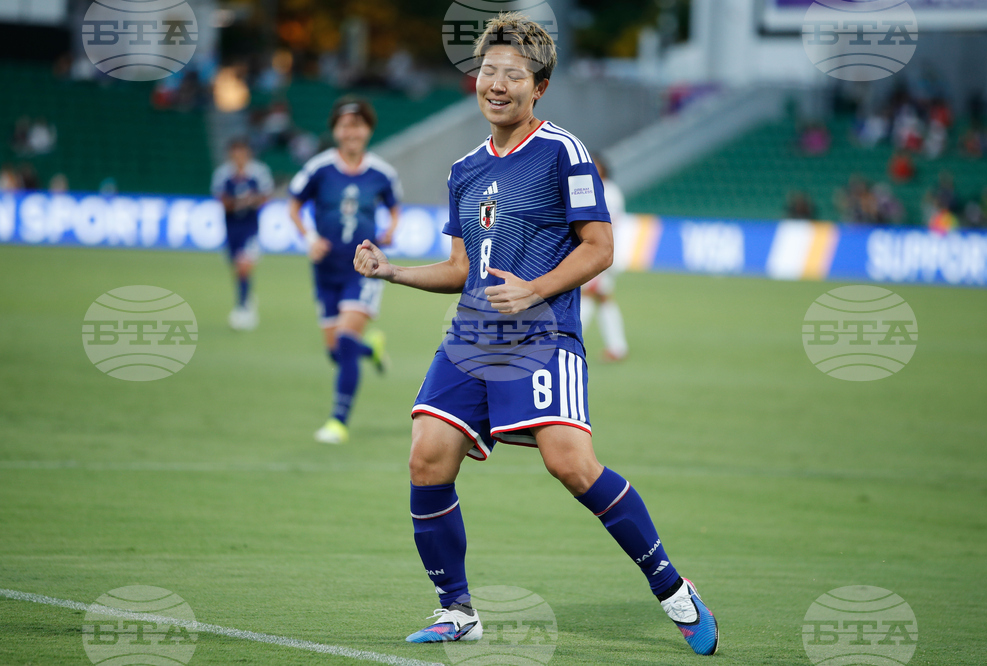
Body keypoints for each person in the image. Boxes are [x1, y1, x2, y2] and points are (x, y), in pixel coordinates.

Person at [354, 12, 718, 656]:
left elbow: (600, 247)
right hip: (470, 337)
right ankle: (456, 610)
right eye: (488, 71)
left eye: (513, 75)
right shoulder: (464, 169)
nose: (496, 84)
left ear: (539, 87)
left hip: (543, 335)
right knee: (427, 455)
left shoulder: (563, 152)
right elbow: (461, 269)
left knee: (570, 464)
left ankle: (673, 588)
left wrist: (535, 288)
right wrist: (393, 271)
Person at [289, 97, 399, 445]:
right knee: (336, 351)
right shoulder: (319, 168)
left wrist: (391, 230)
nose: (352, 132)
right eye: (345, 125)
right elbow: (293, 205)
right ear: (335, 130)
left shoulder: (382, 173)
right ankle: (372, 350)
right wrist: (309, 238)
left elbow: (394, 207)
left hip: (363, 269)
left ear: (369, 129)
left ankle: (338, 421)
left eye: (358, 125)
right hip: (326, 269)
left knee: (346, 340)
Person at [211, 138, 273, 331]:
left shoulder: (259, 172)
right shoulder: (223, 174)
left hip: (250, 227)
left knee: (243, 265)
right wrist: (240, 202)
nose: (239, 157)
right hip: (232, 227)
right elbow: (221, 200)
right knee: (236, 267)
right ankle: (247, 296)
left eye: (242, 153)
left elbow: (265, 196)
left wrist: (252, 201)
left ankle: (242, 307)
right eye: (235, 153)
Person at [580, 155, 629, 362]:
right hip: (605, 252)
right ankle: (617, 347)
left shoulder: (607, 192)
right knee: (602, 297)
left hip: (603, 253)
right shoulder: (607, 190)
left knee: (587, 295)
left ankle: (569, 341)